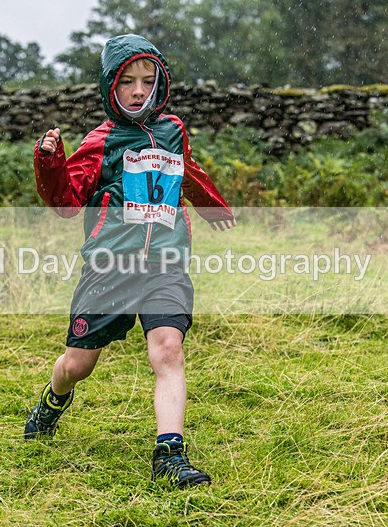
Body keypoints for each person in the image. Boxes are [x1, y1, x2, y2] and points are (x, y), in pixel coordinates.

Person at [25, 34, 236, 489]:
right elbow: (65, 201)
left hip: (165, 262)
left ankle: (170, 454)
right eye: (127, 83)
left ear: (161, 82)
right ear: (110, 87)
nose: (139, 91)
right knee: (77, 365)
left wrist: (211, 203)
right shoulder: (100, 142)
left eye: (148, 80)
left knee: (168, 350)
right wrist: (49, 162)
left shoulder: (172, 129)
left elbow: (187, 170)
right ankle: (52, 399)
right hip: (110, 267)